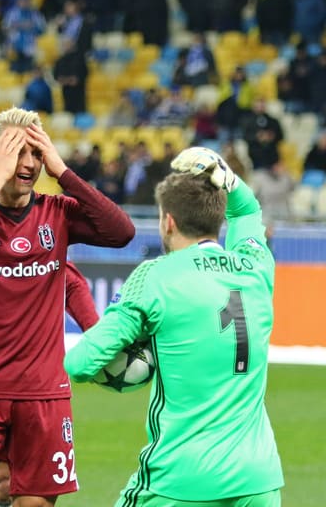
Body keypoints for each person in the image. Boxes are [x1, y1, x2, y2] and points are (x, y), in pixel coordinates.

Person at [0, 107, 135, 507]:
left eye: (35, 154)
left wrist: (63, 171)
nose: (28, 164)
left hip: (43, 394)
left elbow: (121, 231)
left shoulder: (56, 214)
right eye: (17, 153)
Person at [65, 147, 284, 507]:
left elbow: (80, 363)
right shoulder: (256, 265)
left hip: (180, 480)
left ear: (168, 221)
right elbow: (247, 209)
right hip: (257, 480)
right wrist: (226, 176)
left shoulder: (156, 276)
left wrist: (140, 353)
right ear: (217, 219)